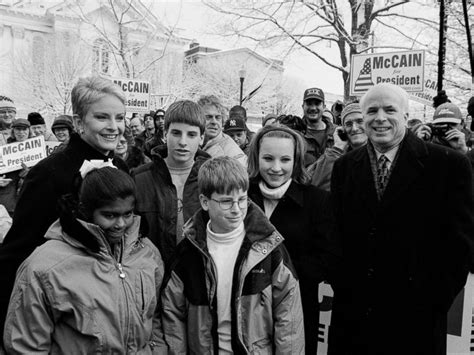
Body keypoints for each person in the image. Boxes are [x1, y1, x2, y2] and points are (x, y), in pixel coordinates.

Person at [329, 83, 473, 355]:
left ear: (406, 116)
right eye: (371, 111)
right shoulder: (344, 166)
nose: (380, 117)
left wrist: (432, 303)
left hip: (416, 321)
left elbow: (460, 245)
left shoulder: (448, 165)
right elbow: (335, 235)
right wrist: (347, 289)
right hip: (355, 318)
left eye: (389, 109)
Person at [0, 76, 128, 339]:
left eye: (120, 118)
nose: (114, 127)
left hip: (114, 310)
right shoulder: (48, 173)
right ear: (79, 122)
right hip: (61, 315)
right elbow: (17, 253)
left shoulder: (123, 169)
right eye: (103, 117)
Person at [3, 165, 164, 353]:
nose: (120, 224)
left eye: (127, 214)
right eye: (109, 215)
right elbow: (25, 346)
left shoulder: (147, 252)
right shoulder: (44, 267)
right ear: (85, 210)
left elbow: (157, 319)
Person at [161, 156, 305, 354]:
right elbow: (173, 315)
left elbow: (289, 318)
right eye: (227, 202)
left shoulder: (268, 248)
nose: (237, 209)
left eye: (242, 199)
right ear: (204, 201)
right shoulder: (188, 253)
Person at [246, 125, 333, 354]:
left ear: (295, 161)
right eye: (268, 158)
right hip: (248, 308)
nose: (276, 168)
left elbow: (325, 257)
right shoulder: (242, 197)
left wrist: (278, 275)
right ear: (256, 158)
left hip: (299, 307)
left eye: (285, 160)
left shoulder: (317, 201)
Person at [133, 100, 210, 267]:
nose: (183, 142)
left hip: (199, 276)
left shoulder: (213, 179)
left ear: (202, 138)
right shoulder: (139, 179)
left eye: (191, 135)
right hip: (152, 273)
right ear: (165, 134)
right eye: (176, 133)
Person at [308, 102, 368, 191]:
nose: (354, 128)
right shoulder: (334, 156)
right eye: (348, 124)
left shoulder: (381, 153)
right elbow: (317, 186)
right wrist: (338, 148)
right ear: (342, 129)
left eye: (360, 121)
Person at [197, 95, 247, 167]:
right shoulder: (196, 141)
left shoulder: (230, 152)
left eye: (218, 117)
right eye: (208, 117)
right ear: (197, 118)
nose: (214, 122)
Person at [0, 119, 32, 216]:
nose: (21, 132)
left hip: (29, 198)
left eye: (24, 129)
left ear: (29, 131)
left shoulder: (39, 149)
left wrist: (31, 173)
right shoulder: (3, 150)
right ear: (13, 131)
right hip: (8, 200)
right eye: (18, 129)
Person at [301, 87, 336, 166]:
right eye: (309, 104)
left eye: (317, 104)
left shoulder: (336, 132)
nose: (313, 108)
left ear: (324, 107)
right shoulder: (296, 133)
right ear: (303, 106)